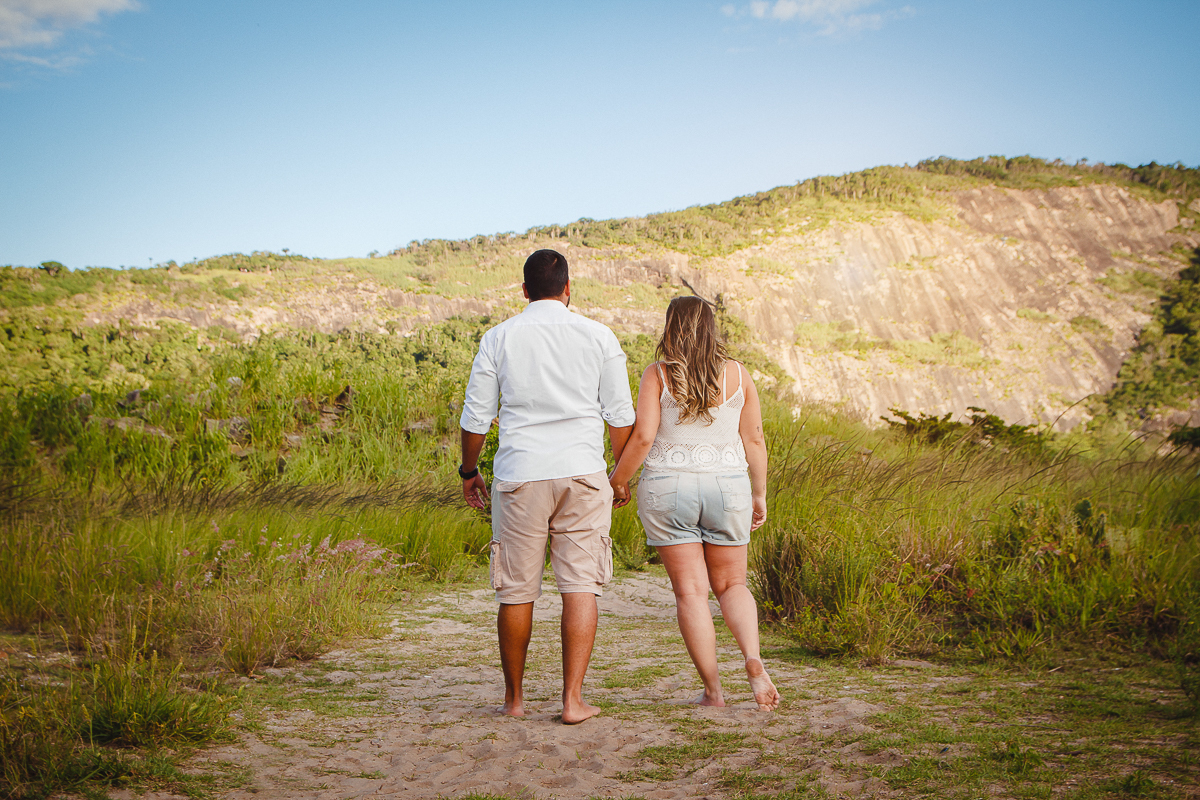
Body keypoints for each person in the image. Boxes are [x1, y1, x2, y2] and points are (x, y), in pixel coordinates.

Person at [459, 249, 635, 724]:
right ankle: (572, 701)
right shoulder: (599, 336)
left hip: (521, 474)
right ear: (568, 288)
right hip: (582, 472)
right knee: (580, 586)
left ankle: (514, 701)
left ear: (524, 290)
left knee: (516, 591)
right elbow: (620, 416)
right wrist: (619, 477)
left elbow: (476, 418)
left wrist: (469, 471)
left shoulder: (498, 338)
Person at [609, 295, 780, 711]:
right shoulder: (738, 374)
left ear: (671, 326)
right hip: (728, 488)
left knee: (691, 592)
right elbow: (754, 439)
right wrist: (758, 493)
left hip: (669, 487)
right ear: (710, 328)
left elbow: (644, 437)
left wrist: (619, 480)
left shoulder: (658, 374)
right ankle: (753, 659)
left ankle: (713, 692)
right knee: (733, 585)